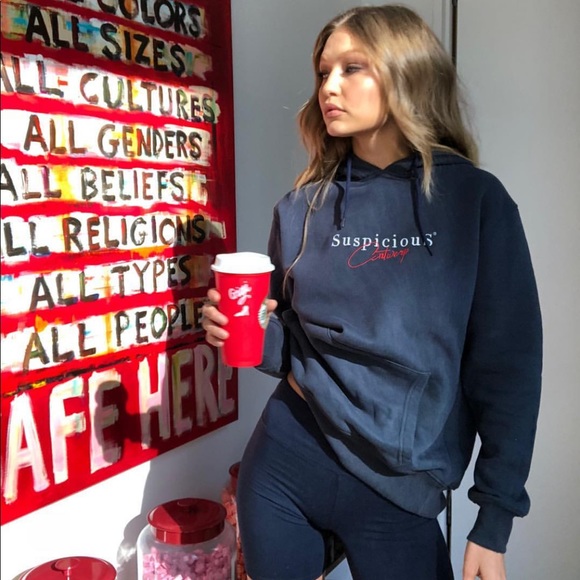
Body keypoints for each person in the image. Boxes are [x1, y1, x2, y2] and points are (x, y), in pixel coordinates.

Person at [202, 4, 542, 580]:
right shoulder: (301, 207)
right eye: (323, 72)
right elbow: (291, 346)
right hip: (283, 466)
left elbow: (509, 367)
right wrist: (248, 333)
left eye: (351, 67)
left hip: (398, 492)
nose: (328, 87)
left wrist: (494, 516)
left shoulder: (474, 202)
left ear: (407, 71)